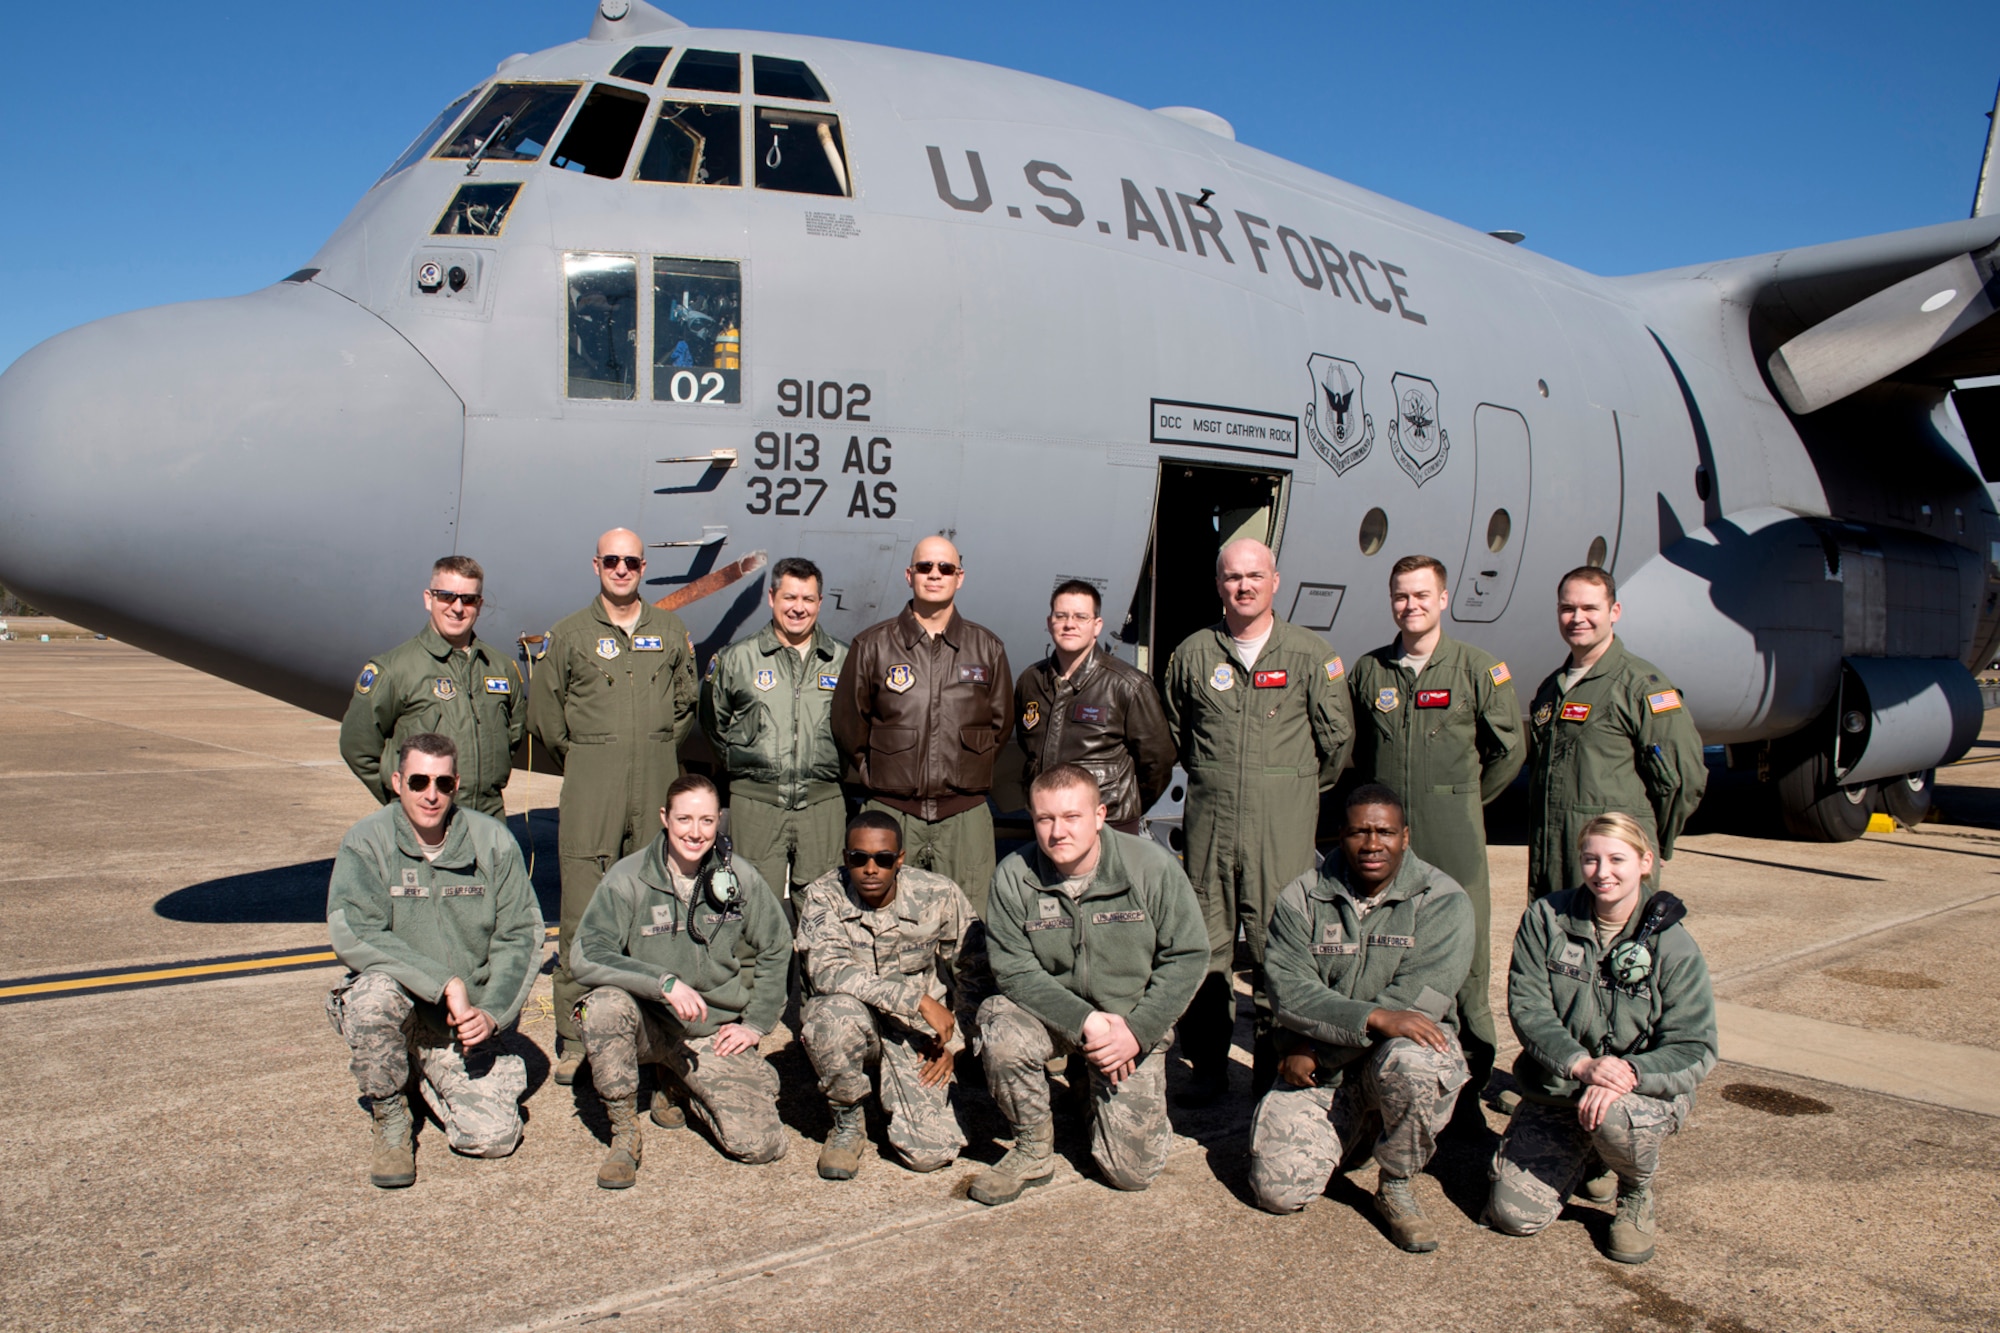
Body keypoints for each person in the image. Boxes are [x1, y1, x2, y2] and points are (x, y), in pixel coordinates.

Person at [1162, 538, 1354, 1103]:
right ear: (1218, 584)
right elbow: (1178, 730)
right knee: (1206, 947)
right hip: (1211, 825)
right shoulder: (1194, 654)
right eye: (1231, 577)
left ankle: (1278, 1063)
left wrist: (1288, 788)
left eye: (1254, 576)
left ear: (1276, 581)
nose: (1242, 586)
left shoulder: (1311, 656)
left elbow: (1336, 743)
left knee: (1281, 947)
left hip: (1282, 826)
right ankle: (1208, 1066)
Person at [1248, 784, 1475, 1252]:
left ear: (1406, 837)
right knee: (1278, 1192)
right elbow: (1290, 994)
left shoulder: (1444, 900)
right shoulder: (1302, 897)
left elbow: (1415, 1009)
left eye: (1385, 832)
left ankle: (1396, 1181)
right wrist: (1376, 1017)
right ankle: (1360, 1128)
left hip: (1354, 1058)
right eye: (1359, 832)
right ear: (1340, 837)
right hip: (1326, 1075)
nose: (1373, 844)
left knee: (1420, 1060)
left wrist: (1316, 1048)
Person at [1485, 812, 1717, 1265]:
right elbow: (1529, 1009)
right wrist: (1580, 1064)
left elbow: (1695, 1047)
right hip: (1562, 1089)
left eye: (1616, 859)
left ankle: (1635, 1193)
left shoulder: (1673, 944)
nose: (1602, 872)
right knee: (1513, 1215)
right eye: (1591, 860)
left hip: (1635, 1095)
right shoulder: (1547, 919)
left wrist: (1628, 1073)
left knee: (1617, 1118)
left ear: (1645, 863)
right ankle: (1591, 1158)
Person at [970, 764, 1208, 1204]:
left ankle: (1090, 1086)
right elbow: (1014, 969)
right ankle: (1033, 1149)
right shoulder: (1014, 875)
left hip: (1128, 1025)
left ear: (1100, 815)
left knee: (1129, 1173)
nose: (1058, 832)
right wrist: (1085, 1021)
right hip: (1057, 1019)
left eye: (1071, 817)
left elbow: (1189, 955)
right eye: (1045, 819)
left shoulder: (1149, 868)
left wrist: (1138, 1031)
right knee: (998, 1023)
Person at [1345, 554, 1522, 1123]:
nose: (1410, 605)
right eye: (1401, 595)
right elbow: (1354, 754)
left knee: (1466, 966)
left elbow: (1508, 751)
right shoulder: (1370, 673)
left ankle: (1472, 1083)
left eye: (1422, 595)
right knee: (1383, 955)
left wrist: (1461, 801)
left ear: (1443, 599)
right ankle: (1379, 1076)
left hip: (1454, 844)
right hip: (1389, 849)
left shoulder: (1478, 668)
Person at [324, 732, 543, 1188]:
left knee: (493, 1138)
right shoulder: (367, 842)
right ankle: (391, 1120)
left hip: (460, 1028)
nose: (431, 794)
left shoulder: (491, 842)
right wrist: (444, 982)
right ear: (398, 780)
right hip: (403, 1008)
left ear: (456, 784)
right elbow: (356, 930)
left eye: (443, 784)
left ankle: (424, 1073)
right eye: (420, 780)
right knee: (371, 999)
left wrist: (493, 1012)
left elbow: (520, 935)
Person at [529, 528, 700, 1086]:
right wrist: (590, 757)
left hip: (655, 780)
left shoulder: (670, 630)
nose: (621, 569)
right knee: (582, 914)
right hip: (592, 785)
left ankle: (658, 1032)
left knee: (657, 914)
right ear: (596, 564)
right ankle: (575, 1036)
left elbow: (684, 707)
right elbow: (548, 720)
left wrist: (650, 746)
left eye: (630, 561)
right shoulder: (570, 635)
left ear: (644, 566)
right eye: (611, 560)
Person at [570, 774, 791, 1187]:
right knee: (601, 1008)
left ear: (719, 821)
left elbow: (777, 945)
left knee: (760, 1144)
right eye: (685, 819)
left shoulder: (737, 876)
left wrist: (756, 1023)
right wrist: (663, 982)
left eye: (707, 821)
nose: (695, 832)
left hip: (713, 1031)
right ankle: (624, 1133)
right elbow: (586, 954)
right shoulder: (628, 878)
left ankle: (679, 1084)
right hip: (651, 1023)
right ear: (664, 818)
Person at [793, 811, 988, 1180]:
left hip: (914, 1032)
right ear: (846, 857)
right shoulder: (824, 895)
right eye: (858, 858)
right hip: (857, 1022)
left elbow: (976, 971)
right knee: (828, 1018)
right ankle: (847, 1120)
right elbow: (827, 970)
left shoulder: (938, 893)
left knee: (929, 1154)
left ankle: (924, 1097)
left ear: (899, 859)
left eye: (883, 859)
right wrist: (915, 999)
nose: (870, 868)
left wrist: (956, 1042)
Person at [831, 536, 1012, 915]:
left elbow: (1000, 725)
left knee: (969, 924)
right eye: (925, 567)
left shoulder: (987, 647)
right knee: (886, 922)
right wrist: (874, 773)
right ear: (909, 575)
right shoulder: (872, 645)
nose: (935, 575)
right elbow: (849, 722)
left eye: (945, 568)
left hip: (964, 817)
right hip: (893, 813)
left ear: (959, 577)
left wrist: (966, 770)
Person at [1526, 567, 1706, 900]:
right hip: (1554, 859)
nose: (1577, 618)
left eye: (1590, 608)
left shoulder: (1640, 686)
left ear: (1614, 612)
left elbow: (1684, 779)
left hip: (1611, 864)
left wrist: (1650, 843)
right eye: (1568, 609)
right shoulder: (1551, 689)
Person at [699, 556, 849, 919]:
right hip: (757, 804)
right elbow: (712, 722)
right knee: (750, 907)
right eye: (789, 598)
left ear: (820, 602)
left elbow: (857, 725)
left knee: (823, 913)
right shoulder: (737, 659)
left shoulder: (843, 661)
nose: (798, 608)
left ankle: (815, 978)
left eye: (808, 599)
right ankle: (751, 977)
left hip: (820, 805)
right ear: (772, 598)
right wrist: (751, 764)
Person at [339, 555, 525, 819]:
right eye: (447, 596)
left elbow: (511, 739)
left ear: (479, 605)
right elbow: (357, 746)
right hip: (424, 825)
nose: (458, 608)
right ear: (429, 599)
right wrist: (403, 799)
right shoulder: (395, 668)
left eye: (468, 599)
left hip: (488, 821)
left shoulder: (501, 668)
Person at [1014, 580, 1175, 835]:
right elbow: (1028, 747)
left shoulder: (1128, 686)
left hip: (1109, 828)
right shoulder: (1031, 681)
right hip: (1048, 827)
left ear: (1097, 626)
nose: (1070, 624)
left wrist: (1124, 809)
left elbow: (1158, 762)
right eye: (1061, 616)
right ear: (1049, 623)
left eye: (1081, 617)